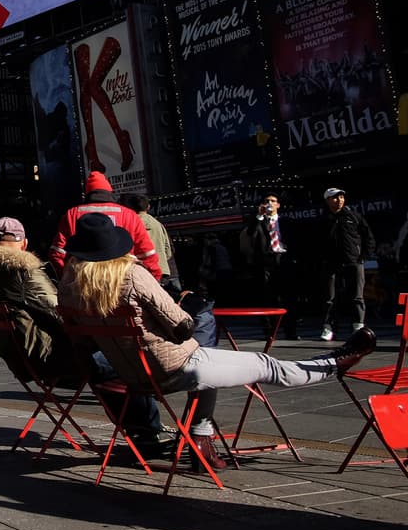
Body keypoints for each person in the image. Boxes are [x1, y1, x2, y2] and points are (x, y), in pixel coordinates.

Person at [57, 213, 377, 470]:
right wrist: (189, 311)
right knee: (265, 364)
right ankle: (334, 364)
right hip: (176, 367)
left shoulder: (70, 289)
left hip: (132, 376)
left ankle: (201, 438)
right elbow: (180, 327)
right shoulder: (132, 275)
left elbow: (80, 340)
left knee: (210, 361)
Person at [0, 216, 168, 451]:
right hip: (48, 358)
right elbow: (61, 314)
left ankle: (141, 429)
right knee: (119, 361)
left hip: (20, 356)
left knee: (108, 362)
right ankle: (146, 433)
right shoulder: (25, 272)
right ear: (24, 243)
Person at [49, 171, 161, 281]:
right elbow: (147, 254)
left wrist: (70, 280)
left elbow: (57, 253)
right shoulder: (129, 215)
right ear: (110, 191)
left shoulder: (72, 214)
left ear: (87, 192)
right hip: (122, 281)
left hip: (86, 284)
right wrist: (152, 280)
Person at [318, 187, 376, 341]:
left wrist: (363, 256)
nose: (339, 200)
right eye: (335, 197)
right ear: (328, 200)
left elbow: (368, 236)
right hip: (331, 262)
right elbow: (316, 242)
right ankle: (328, 327)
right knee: (330, 297)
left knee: (357, 295)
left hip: (353, 261)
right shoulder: (323, 219)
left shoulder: (353, 216)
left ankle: (358, 325)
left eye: (342, 197)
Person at [240, 192, 298, 339]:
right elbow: (251, 233)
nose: (270, 203)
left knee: (287, 298)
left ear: (278, 205)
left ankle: (291, 331)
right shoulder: (257, 222)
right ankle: (269, 332)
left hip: (283, 260)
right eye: (267, 201)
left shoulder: (286, 222)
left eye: (273, 201)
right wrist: (259, 216)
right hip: (265, 263)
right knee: (266, 298)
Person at [121, 193, 179, 292]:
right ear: (148, 207)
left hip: (140, 271)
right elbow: (168, 249)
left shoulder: (130, 223)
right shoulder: (158, 224)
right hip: (161, 269)